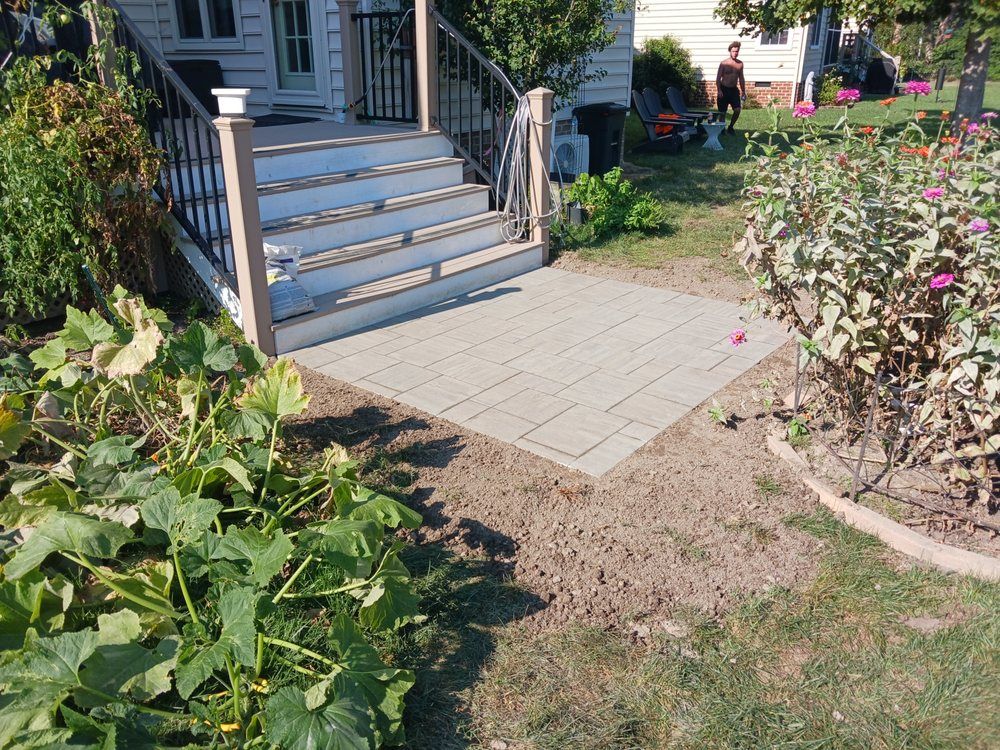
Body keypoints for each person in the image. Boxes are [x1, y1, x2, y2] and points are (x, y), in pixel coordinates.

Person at [716, 41, 746, 134]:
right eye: (733, 51)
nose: (735, 53)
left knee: (737, 110)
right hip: (724, 89)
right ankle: (721, 129)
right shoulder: (724, 63)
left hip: (733, 90)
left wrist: (743, 91)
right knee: (722, 113)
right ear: (730, 51)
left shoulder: (740, 64)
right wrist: (719, 90)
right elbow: (718, 78)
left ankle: (731, 127)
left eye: (737, 51)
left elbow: (741, 78)